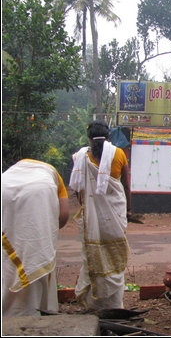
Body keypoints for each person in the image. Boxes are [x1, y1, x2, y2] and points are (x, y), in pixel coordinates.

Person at [69, 120, 131, 310]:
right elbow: (126, 185)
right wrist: (128, 211)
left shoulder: (80, 157)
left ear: (89, 138)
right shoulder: (119, 154)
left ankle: (93, 305)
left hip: (91, 219)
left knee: (92, 256)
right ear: (109, 137)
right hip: (116, 215)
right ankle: (113, 304)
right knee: (114, 255)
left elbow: (79, 190)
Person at [2, 159, 69, 317]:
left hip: (3, 189)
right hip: (40, 193)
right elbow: (64, 214)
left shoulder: (10, 173)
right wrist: (47, 232)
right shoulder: (53, 176)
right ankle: (31, 312)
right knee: (36, 259)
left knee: (7, 258)